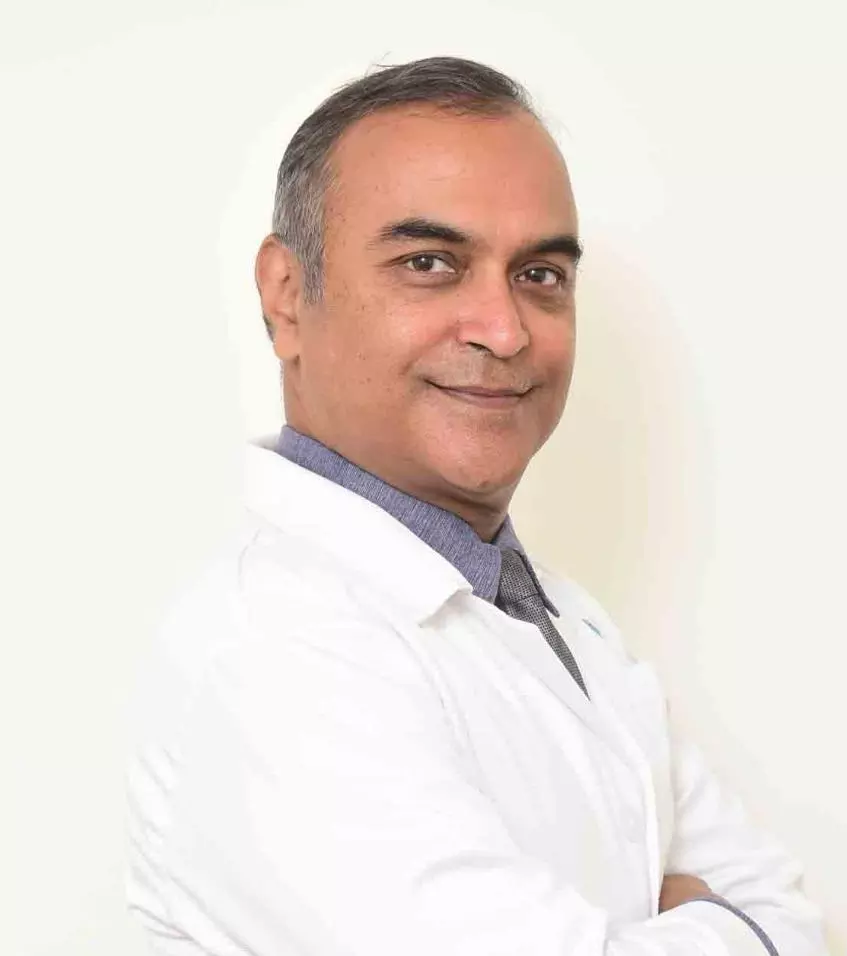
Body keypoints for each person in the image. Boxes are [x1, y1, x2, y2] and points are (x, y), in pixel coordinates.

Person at [126, 56, 828, 955]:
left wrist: (702, 925)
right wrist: (720, 923)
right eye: (428, 263)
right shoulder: (269, 651)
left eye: (539, 275)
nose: (503, 329)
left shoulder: (556, 617)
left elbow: (792, 917)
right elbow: (762, 927)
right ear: (287, 296)